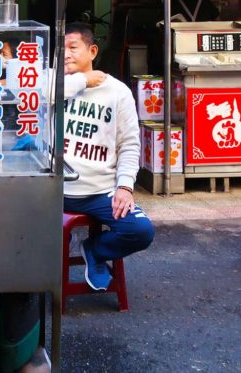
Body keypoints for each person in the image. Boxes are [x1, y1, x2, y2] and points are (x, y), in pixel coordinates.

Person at [61, 22, 154, 290]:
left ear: (92, 51)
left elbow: (129, 144)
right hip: (54, 191)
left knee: (140, 231)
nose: (65, 54)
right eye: (61, 48)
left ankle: (96, 250)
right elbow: (30, 99)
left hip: (100, 192)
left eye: (73, 47)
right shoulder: (51, 84)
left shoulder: (118, 92)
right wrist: (81, 81)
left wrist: (124, 186)